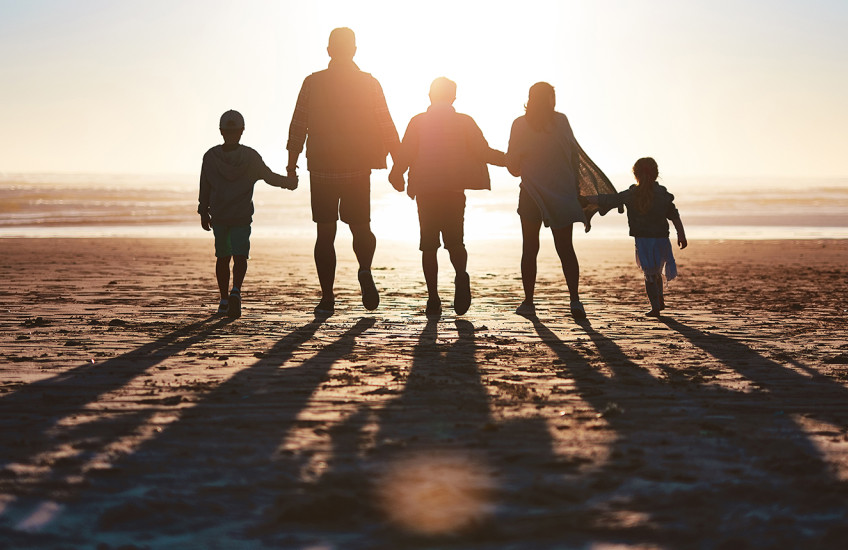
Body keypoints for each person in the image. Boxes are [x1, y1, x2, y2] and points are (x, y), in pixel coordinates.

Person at [287, 27, 401, 316]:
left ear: (328, 51)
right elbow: (385, 123)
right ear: (354, 51)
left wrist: (291, 164)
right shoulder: (369, 83)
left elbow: (298, 124)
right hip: (357, 167)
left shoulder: (313, 83)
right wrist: (399, 164)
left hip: (323, 167)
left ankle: (327, 297)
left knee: (325, 232)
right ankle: (364, 269)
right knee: (361, 226)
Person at [389, 77, 506, 317]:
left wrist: (396, 174)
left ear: (430, 95)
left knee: (428, 246)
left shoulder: (418, 122)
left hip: (426, 190)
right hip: (453, 190)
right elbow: (482, 151)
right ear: (453, 97)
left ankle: (433, 299)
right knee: (455, 242)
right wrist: (510, 160)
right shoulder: (464, 122)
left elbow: (406, 153)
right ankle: (461, 276)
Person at [505, 82, 617, 319]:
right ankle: (575, 301)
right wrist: (576, 188)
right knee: (566, 249)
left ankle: (528, 302)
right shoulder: (561, 121)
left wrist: (525, 158)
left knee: (530, 248)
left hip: (531, 195)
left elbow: (513, 168)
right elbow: (574, 158)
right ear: (549, 99)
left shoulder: (520, 124)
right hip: (561, 194)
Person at [198, 109, 297, 318]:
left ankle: (224, 300)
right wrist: (288, 183)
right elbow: (269, 177)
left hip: (220, 216)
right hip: (241, 216)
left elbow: (204, 187)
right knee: (240, 256)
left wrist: (203, 211)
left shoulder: (210, 157)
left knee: (222, 257)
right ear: (242, 131)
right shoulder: (250, 157)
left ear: (221, 131)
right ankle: (236, 291)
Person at [584, 157, 687, 317]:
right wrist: (681, 234)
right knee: (656, 271)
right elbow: (674, 215)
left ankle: (655, 308)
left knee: (649, 274)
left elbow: (609, 199)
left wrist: (584, 199)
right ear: (656, 174)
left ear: (635, 175)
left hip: (643, 240)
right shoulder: (662, 194)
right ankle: (659, 299)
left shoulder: (631, 194)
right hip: (661, 239)